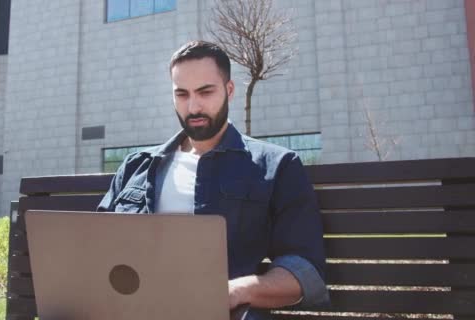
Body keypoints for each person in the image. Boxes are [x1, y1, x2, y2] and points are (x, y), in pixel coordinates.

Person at [97, 41, 329, 316]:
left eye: (205, 92)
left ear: (229, 91)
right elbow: (97, 249)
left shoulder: (276, 166)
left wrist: (234, 291)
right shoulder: (138, 165)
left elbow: (304, 269)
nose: (193, 107)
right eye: (181, 94)